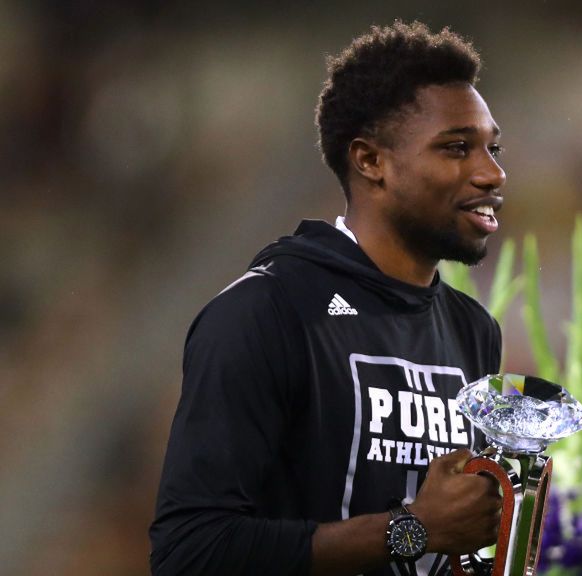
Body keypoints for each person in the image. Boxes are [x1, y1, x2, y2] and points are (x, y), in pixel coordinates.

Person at [149, 21, 507, 576]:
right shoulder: (266, 311)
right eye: (457, 148)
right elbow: (189, 550)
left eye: (492, 147)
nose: (492, 172)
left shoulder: (472, 330)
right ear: (370, 162)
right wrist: (411, 530)